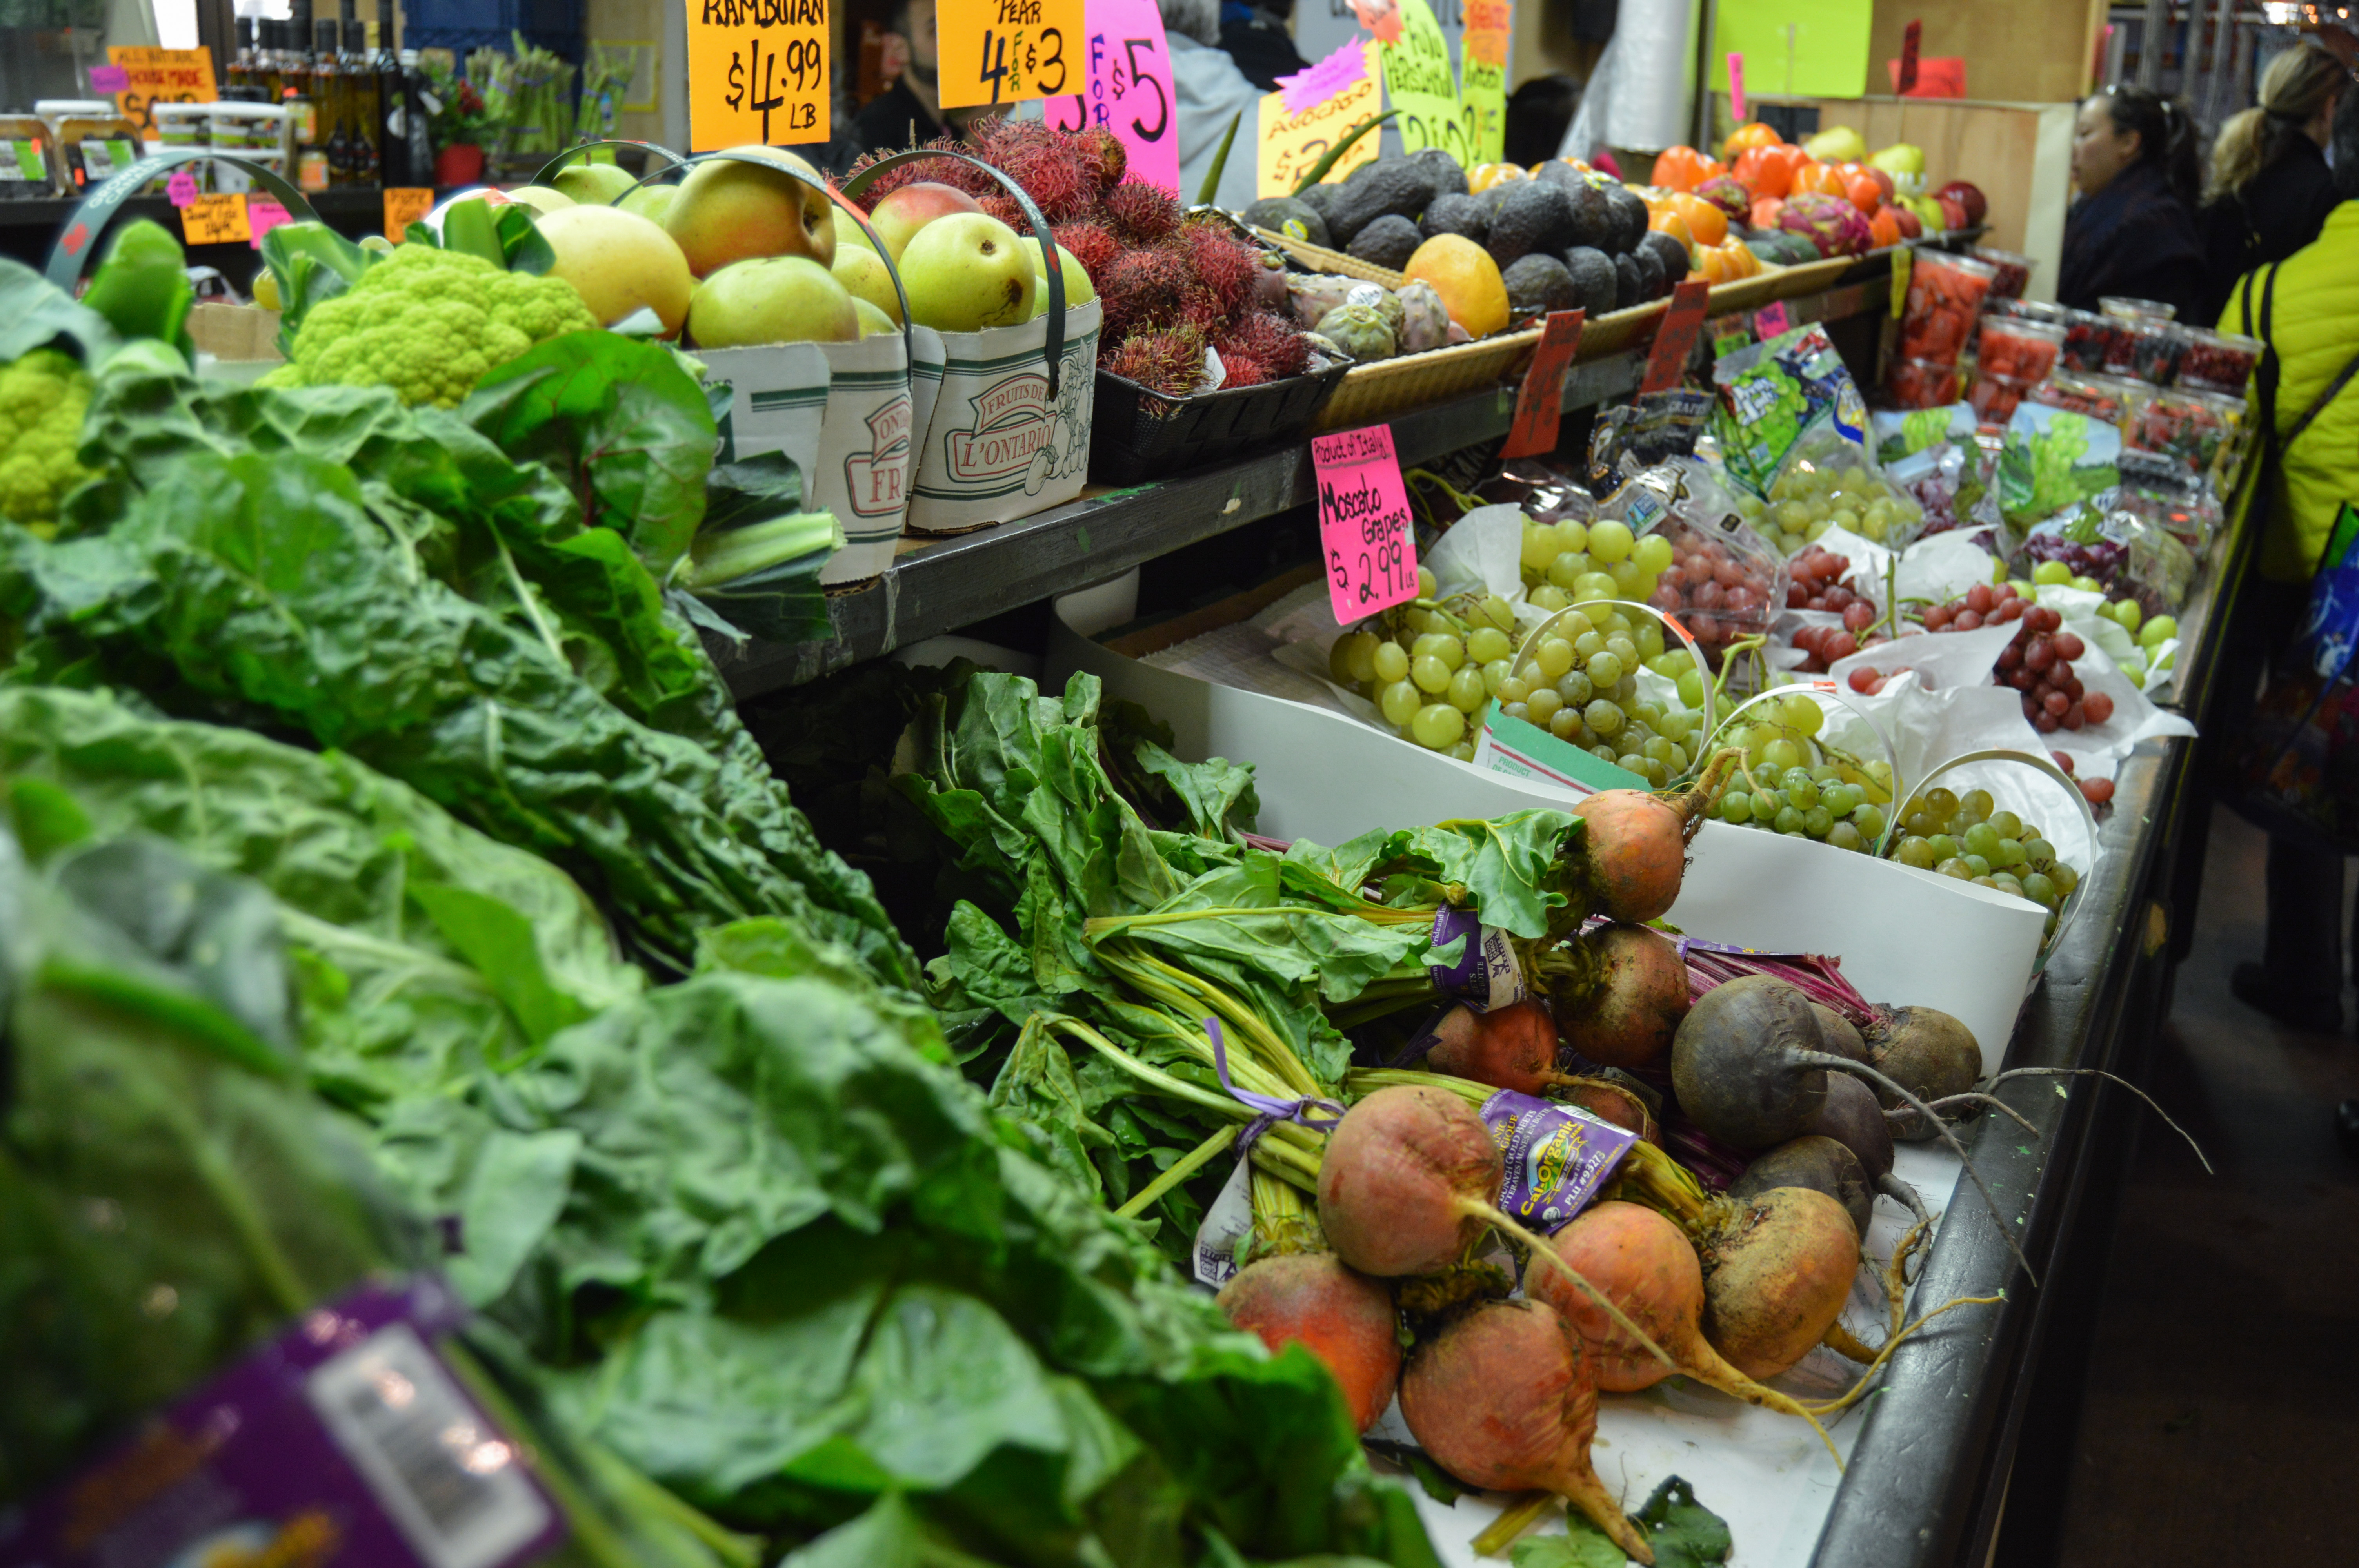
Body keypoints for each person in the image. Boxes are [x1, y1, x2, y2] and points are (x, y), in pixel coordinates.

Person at [2219, 83, 2359, 1043]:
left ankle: (2300, 976)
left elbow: (2226, 418)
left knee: (2303, 758)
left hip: (2298, 569)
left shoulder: (2273, 289)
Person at [2198, 43, 2347, 321]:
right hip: (2268, 348)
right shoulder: (2324, 193)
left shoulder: (2234, 168)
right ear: (2329, 108)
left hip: (2209, 342)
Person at [2056, 83, 2206, 322]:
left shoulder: (2146, 225)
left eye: (2084, 134)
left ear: (2128, 143)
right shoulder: (2114, 208)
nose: (2072, 148)